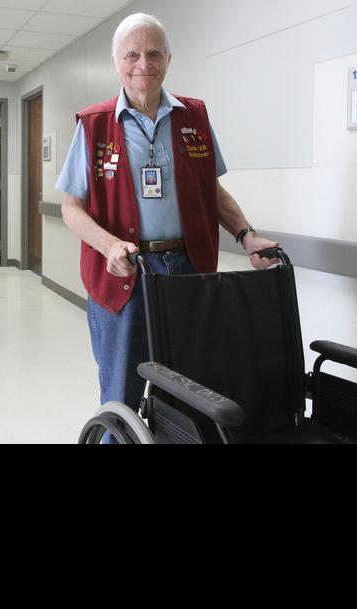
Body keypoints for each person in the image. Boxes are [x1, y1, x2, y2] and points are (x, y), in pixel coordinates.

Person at [56, 12, 279, 437]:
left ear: (169, 59)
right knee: (120, 393)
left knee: (189, 387)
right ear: (115, 63)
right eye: (132, 55)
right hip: (125, 275)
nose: (144, 64)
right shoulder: (95, 124)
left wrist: (246, 235)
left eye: (154, 53)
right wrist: (108, 246)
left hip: (187, 272)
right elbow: (71, 206)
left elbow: (210, 193)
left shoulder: (193, 117)